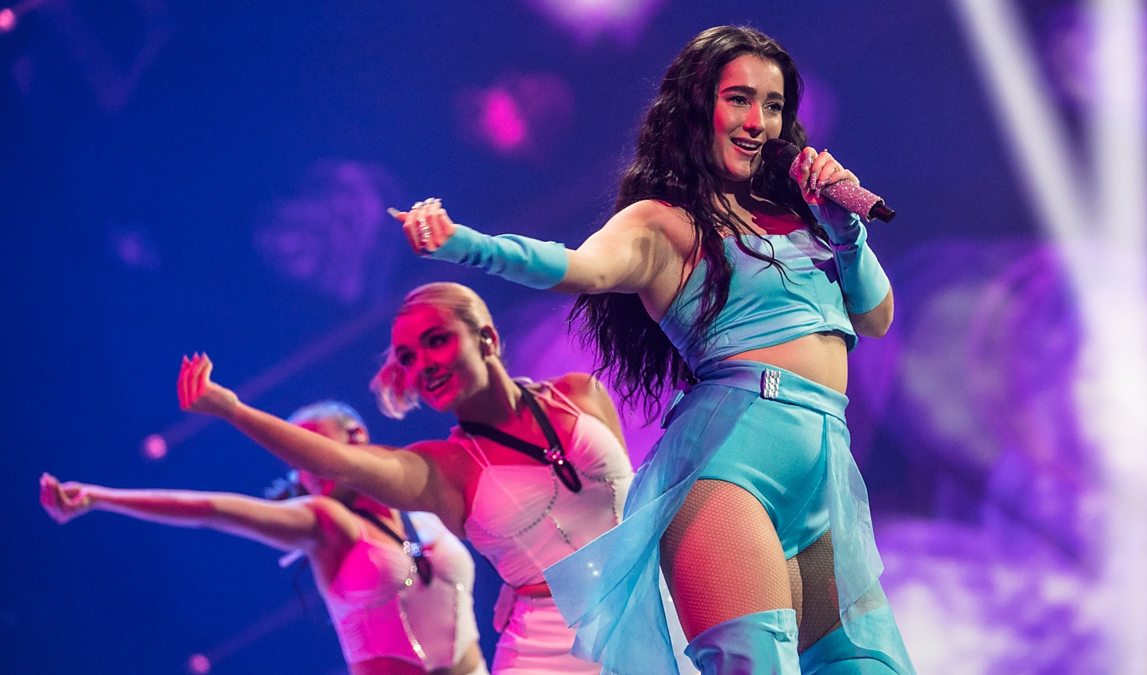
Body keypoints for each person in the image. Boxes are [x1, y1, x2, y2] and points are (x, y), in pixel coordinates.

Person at [391, 25, 914, 675]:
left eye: (774, 105)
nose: (758, 122)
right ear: (696, 106)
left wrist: (847, 233)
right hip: (731, 466)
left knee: (865, 664)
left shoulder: (805, 217)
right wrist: (463, 244)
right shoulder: (662, 222)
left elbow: (876, 317)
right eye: (739, 99)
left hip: (824, 468)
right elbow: (576, 268)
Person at [174, 282, 635, 674]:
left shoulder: (580, 393)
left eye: (436, 340)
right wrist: (233, 410)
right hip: (548, 652)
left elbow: (637, 503)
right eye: (408, 359)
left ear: (487, 338)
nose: (423, 365)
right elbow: (337, 463)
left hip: (646, 607)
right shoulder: (440, 469)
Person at [39, 401, 485, 675]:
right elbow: (211, 510)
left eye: (312, 449)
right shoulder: (328, 523)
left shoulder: (419, 504)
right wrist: (100, 497)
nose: (308, 469)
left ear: (356, 436)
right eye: (297, 462)